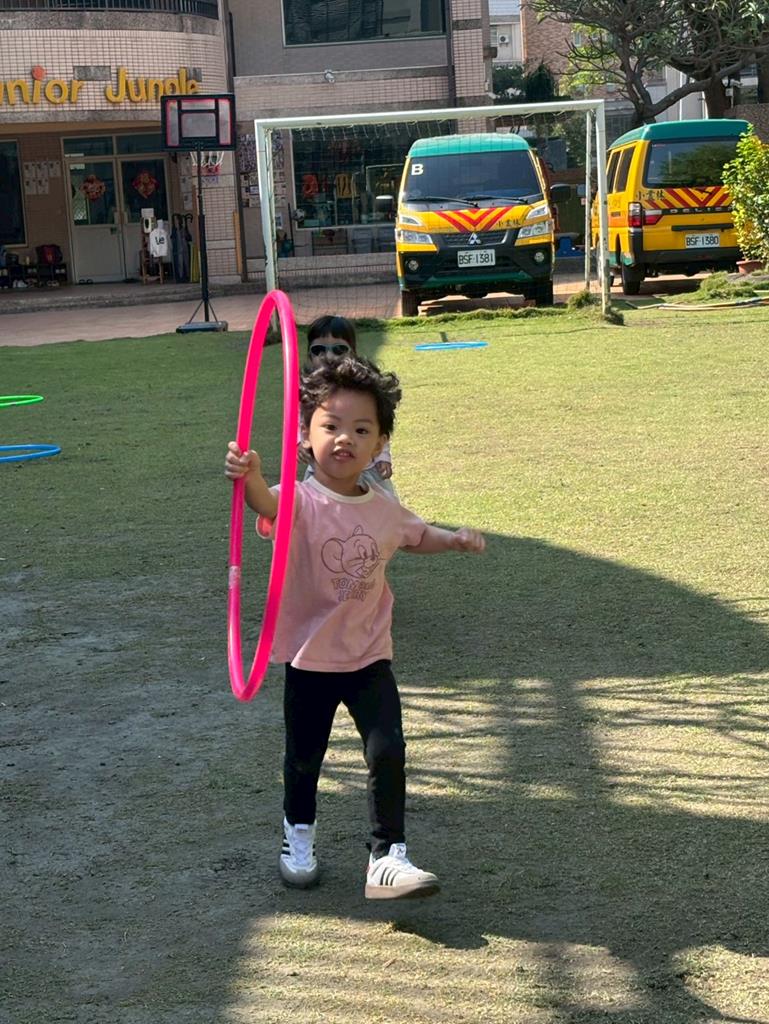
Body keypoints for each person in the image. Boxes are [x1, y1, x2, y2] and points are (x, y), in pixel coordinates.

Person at [224, 355, 485, 900]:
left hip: (369, 656)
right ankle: (298, 835)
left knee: (387, 750)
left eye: (362, 430)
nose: (345, 438)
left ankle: (387, 856)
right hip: (310, 659)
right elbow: (264, 501)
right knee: (303, 759)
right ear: (305, 435)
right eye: (331, 426)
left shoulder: (383, 507)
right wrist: (250, 474)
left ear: (380, 444)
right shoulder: (300, 501)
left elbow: (417, 534)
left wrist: (455, 540)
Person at [301, 315, 396, 498]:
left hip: (365, 470)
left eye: (339, 350)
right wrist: (299, 444)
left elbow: (377, 425)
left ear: (352, 353)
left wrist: (383, 457)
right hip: (322, 472)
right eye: (319, 350)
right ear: (310, 355)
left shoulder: (362, 391)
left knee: (379, 510)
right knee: (314, 510)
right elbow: (302, 423)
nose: (329, 356)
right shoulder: (309, 390)